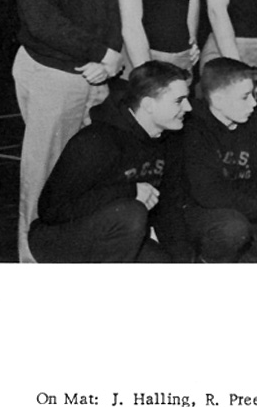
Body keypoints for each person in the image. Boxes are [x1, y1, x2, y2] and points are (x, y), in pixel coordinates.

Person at [5, 0, 123, 262]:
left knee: (85, 177)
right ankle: (32, 263)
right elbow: (42, 22)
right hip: (53, 73)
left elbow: (110, 5)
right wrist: (100, 52)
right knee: (44, 176)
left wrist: (111, 55)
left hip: (96, 73)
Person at [29, 62, 193, 262]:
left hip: (115, 231)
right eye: (179, 101)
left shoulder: (169, 140)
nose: (188, 107)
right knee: (131, 213)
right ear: (148, 105)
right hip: (57, 237)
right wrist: (129, 192)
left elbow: (169, 208)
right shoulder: (97, 140)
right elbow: (51, 210)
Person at [183, 58, 257, 263]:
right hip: (208, 217)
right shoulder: (193, 127)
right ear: (218, 100)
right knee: (233, 229)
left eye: (253, 95)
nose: (254, 103)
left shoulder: (254, 122)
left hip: (249, 214)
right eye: (245, 97)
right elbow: (210, 193)